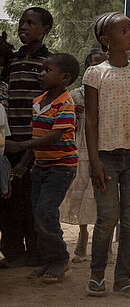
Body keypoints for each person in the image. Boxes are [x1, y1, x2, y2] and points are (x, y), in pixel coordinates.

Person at [83, 12, 130, 298]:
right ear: (106, 40)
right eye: (123, 31)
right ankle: (97, 275)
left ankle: (123, 279)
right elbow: (90, 120)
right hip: (106, 157)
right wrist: (94, 161)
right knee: (107, 218)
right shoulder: (95, 74)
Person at [6, 53, 80, 283]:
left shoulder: (65, 104)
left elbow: (55, 136)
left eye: (47, 70)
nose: (41, 74)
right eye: (42, 69)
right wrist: (23, 163)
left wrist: (21, 145)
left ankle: (60, 260)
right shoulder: (38, 102)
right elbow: (37, 135)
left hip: (61, 167)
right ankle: (49, 261)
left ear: (65, 78)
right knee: (39, 216)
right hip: (40, 167)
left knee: (45, 213)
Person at [0, 7, 53, 269]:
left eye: (31, 23)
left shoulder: (49, 63)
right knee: (9, 201)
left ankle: (36, 254)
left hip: (35, 144)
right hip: (9, 143)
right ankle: (13, 254)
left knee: (33, 201)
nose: (23, 26)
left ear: (45, 30)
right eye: (22, 22)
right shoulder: (12, 60)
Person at [59, 49, 106, 264]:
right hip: (83, 147)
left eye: (100, 66)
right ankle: (83, 233)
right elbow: (66, 124)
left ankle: (105, 244)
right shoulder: (75, 95)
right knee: (81, 188)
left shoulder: (111, 91)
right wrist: (74, 114)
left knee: (104, 194)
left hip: (105, 145)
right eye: (92, 66)